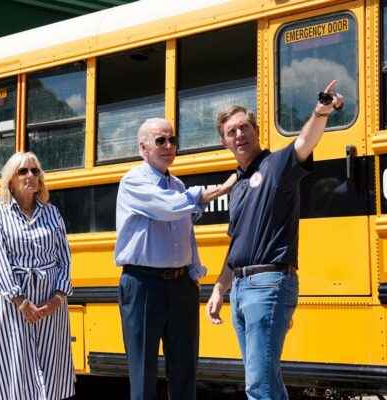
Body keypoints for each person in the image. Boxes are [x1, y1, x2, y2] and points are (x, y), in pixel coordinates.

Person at [205, 81, 344, 400]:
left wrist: (320, 111)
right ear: (224, 142)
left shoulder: (277, 165)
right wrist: (219, 288)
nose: (239, 135)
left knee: (259, 384)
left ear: (256, 131)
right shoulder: (237, 188)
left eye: (244, 128)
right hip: (240, 289)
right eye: (231, 132)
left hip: (268, 282)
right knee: (265, 379)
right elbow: (236, 245)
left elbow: (305, 142)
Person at [115, 118, 236, 400]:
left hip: (180, 284)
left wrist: (193, 274)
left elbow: (186, 235)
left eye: (172, 140)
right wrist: (216, 190)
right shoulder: (134, 180)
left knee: (185, 369)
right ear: (143, 147)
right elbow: (167, 208)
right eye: (161, 141)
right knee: (143, 371)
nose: (169, 146)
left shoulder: (178, 184)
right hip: (144, 283)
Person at [0, 152, 75, 400]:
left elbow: (65, 257)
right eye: (23, 171)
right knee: (14, 367)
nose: (31, 175)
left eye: (35, 171)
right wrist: (20, 301)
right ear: (10, 180)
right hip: (13, 305)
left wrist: (58, 298)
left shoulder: (52, 213)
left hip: (50, 305)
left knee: (52, 366)